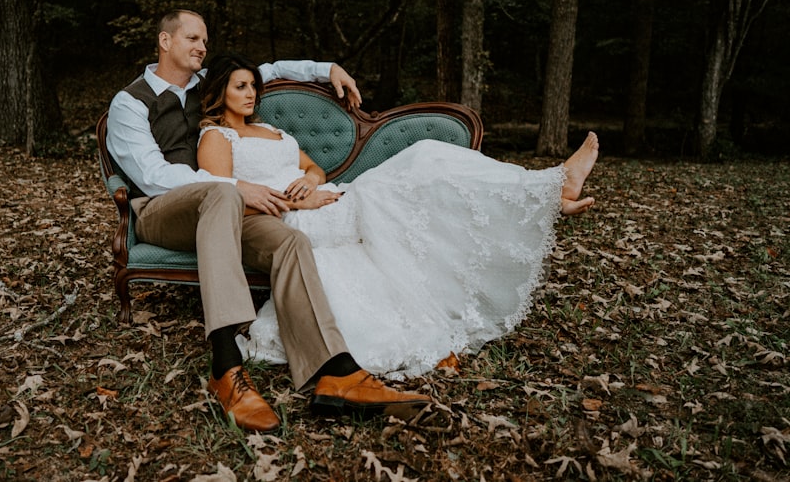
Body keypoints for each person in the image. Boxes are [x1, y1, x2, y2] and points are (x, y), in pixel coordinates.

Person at [105, 10, 430, 433]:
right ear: (165, 42)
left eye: (204, 39)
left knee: (289, 243)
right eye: (192, 38)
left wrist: (327, 68)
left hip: (224, 210)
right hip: (162, 212)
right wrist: (236, 185)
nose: (202, 46)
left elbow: (270, 70)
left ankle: (336, 373)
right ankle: (226, 364)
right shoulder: (130, 102)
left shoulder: (209, 83)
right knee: (221, 192)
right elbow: (153, 177)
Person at [196, 52, 601, 379]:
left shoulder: (271, 130)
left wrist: (312, 181)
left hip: (326, 197)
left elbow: (314, 167)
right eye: (241, 86)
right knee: (420, 164)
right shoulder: (217, 136)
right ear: (220, 92)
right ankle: (550, 189)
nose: (251, 93)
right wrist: (294, 201)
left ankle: (548, 190)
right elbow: (225, 198)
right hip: (293, 217)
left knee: (426, 170)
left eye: (253, 85)